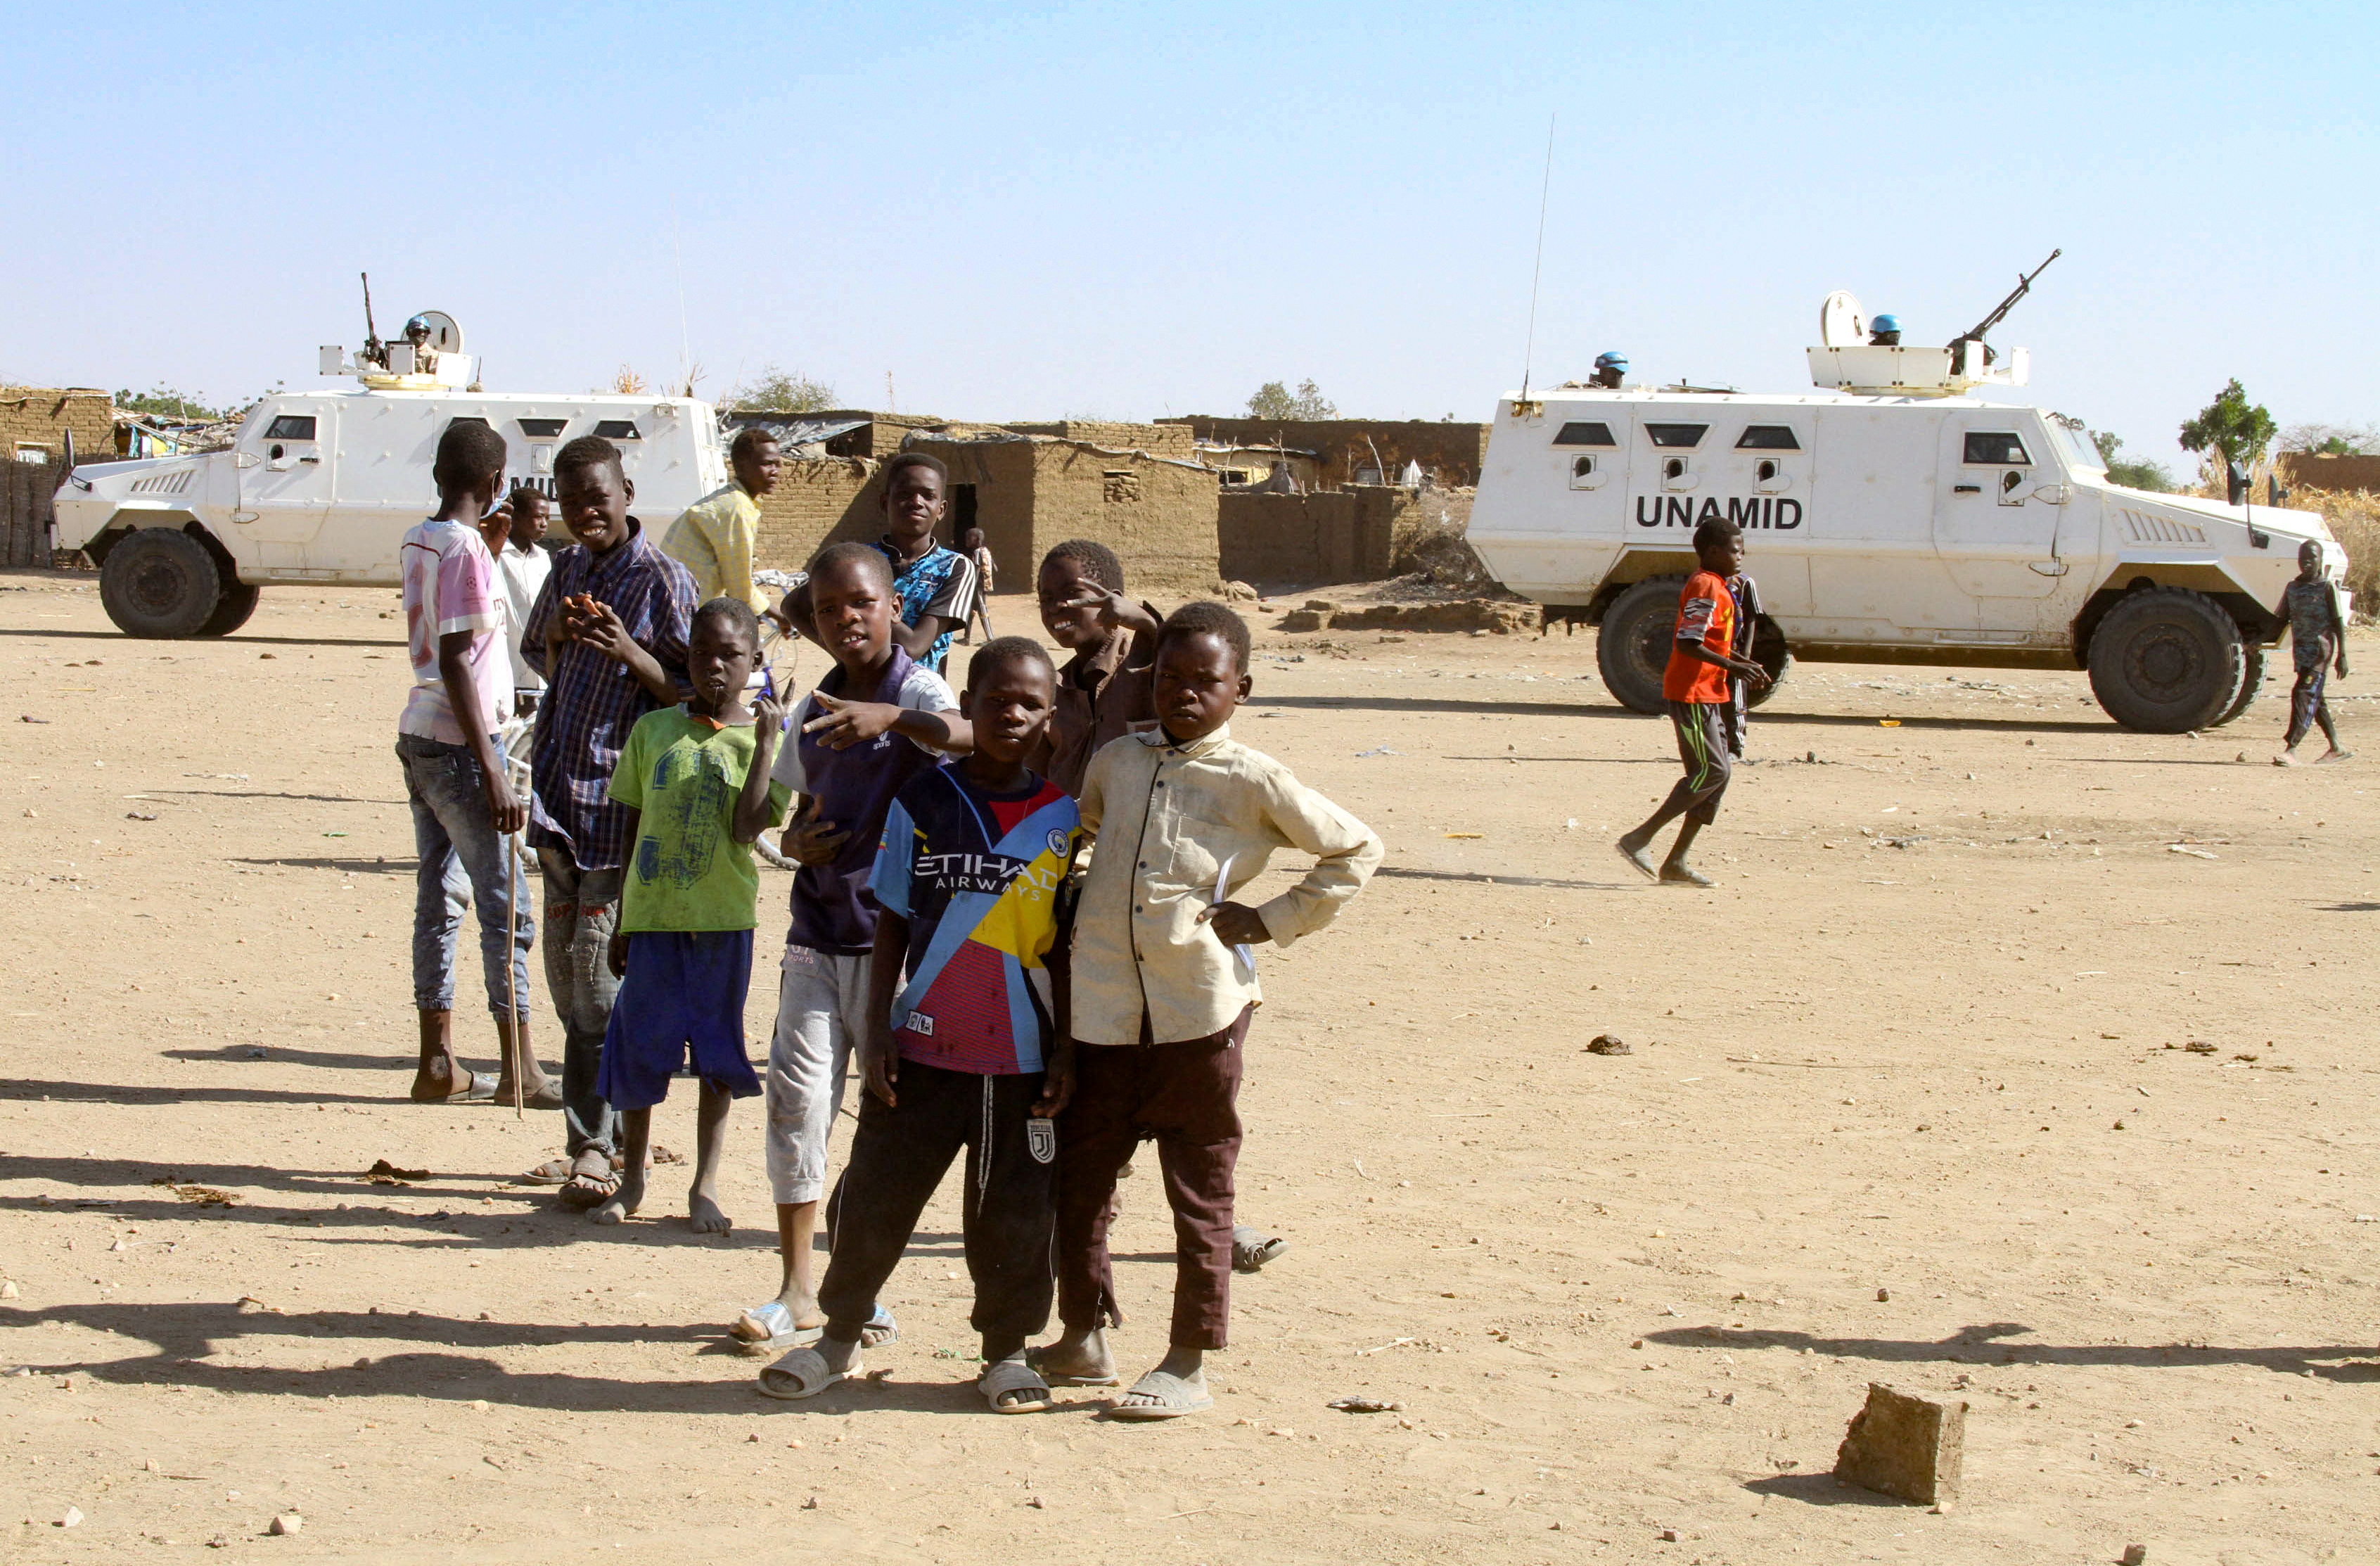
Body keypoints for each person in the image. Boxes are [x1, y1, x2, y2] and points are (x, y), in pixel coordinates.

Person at [1031, 601, 1383, 1420]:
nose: (1185, 694)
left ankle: (1187, 1359)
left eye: (1206, 682)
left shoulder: (1252, 779)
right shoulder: (1117, 761)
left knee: (1199, 1187)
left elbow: (1355, 848)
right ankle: (1082, 1335)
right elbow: (1078, 835)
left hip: (1199, 1013)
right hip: (1104, 1014)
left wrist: (1273, 918)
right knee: (1081, 1183)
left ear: (1241, 689)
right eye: (1170, 679)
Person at [756, 637, 1081, 1409]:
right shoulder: (923, 803)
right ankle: (836, 1339)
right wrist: (876, 1030)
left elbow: (1065, 945)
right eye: (996, 700)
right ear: (965, 708)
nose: (1011, 714)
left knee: (1011, 1216)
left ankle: (1006, 1351)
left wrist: (1066, 1050)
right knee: (876, 1198)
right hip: (924, 1044)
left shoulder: (1061, 817)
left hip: (1021, 1058)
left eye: (1029, 703)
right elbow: (892, 920)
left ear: (1049, 718)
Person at [728, 542, 975, 1353]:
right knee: (796, 1109)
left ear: (893, 606)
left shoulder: (918, 688)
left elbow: (973, 735)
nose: (847, 620)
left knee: (884, 1119)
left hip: (896, 950)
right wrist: (798, 847)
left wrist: (893, 719)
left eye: (861, 603)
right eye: (830, 610)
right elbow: (797, 811)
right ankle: (797, 1288)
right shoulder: (819, 700)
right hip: (816, 934)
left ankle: (857, 1287)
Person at [1035, 539, 1288, 1272]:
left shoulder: (1146, 673)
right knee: (1097, 1077)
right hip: (1086, 905)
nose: (1060, 610)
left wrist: (1140, 623)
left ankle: (1215, 1225)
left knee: (1194, 1091)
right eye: (1048, 598)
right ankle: (1090, 1224)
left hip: (1169, 918)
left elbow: (1191, 654)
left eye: (1076, 596)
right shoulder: (1053, 686)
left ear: (1111, 602)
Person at [518, 436, 700, 1209]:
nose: (586, 512)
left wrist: (627, 649)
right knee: (569, 990)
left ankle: (610, 1149)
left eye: (598, 497)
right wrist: (564, 634)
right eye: (571, 502)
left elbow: (695, 693)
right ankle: (589, 1139)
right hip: (560, 806)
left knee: (597, 989)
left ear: (628, 492)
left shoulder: (662, 580)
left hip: (616, 816)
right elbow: (538, 654)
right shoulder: (567, 570)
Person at [588, 597, 793, 1228]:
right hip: (652, 922)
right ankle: (633, 1178)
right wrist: (623, 916)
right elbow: (630, 822)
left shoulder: (767, 742)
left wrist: (762, 745)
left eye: (731, 655)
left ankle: (704, 1186)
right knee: (639, 1051)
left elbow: (746, 828)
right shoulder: (654, 731)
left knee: (716, 1058)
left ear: (754, 662)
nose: (714, 667)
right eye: (702, 654)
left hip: (722, 925)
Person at [394, 420, 542, 1107]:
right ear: (493, 483)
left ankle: (437, 1063)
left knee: (440, 897)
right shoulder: (466, 554)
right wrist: (491, 769)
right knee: (505, 903)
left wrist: (487, 550)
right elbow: (459, 657)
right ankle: (521, 1070)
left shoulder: (424, 538)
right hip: (462, 747)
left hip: (420, 733)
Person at [1615, 519, 1773, 886]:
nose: (1741, 556)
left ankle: (1676, 862)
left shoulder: (1721, 586)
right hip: (1690, 694)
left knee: (1719, 776)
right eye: (1736, 550)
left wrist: (1742, 663)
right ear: (1714, 552)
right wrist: (1734, 665)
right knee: (1712, 772)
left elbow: (1711, 641)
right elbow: (1688, 642)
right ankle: (1638, 838)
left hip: (1709, 692)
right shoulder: (1705, 586)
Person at [776, 453, 975, 675]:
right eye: (904, 494)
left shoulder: (954, 567)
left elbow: (913, 647)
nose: (916, 502)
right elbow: (792, 605)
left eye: (928, 496)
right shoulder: (858, 561)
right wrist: (842, 654)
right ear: (884, 503)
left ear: (942, 509)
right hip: (859, 690)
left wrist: (873, 608)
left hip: (915, 697)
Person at [663, 428, 781, 618]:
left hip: (676, 599)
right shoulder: (736, 508)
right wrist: (779, 616)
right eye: (767, 464)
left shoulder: (732, 500)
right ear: (742, 466)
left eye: (777, 464)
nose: (775, 471)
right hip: (685, 608)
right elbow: (740, 589)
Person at [2273, 539, 2351, 765]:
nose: (2306, 562)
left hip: (2321, 653)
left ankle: (2292, 749)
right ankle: (2336, 747)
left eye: (2312, 557)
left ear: (2321, 560)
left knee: (2303, 694)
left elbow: (2338, 623)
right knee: (2316, 698)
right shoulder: (2293, 588)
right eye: (2302, 558)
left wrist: (2342, 656)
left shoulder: (2327, 588)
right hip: (2302, 654)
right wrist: (2256, 641)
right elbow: (2279, 621)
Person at [494, 487, 552, 719]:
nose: (544, 524)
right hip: (508, 658)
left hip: (539, 662)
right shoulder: (497, 556)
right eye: (538, 517)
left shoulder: (544, 558)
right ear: (516, 518)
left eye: (547, 518)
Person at [959, 526, 997, 644]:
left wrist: (970, 585)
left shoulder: (977, 552)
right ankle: (966, 638)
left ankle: (990, 638)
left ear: (976, 539)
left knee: (983, 611)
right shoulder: (986, 551)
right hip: (983, 585)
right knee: (971, 611)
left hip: (978, 587)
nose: (966, 540)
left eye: (969, 538)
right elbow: (995, 568)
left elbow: (976, 570)